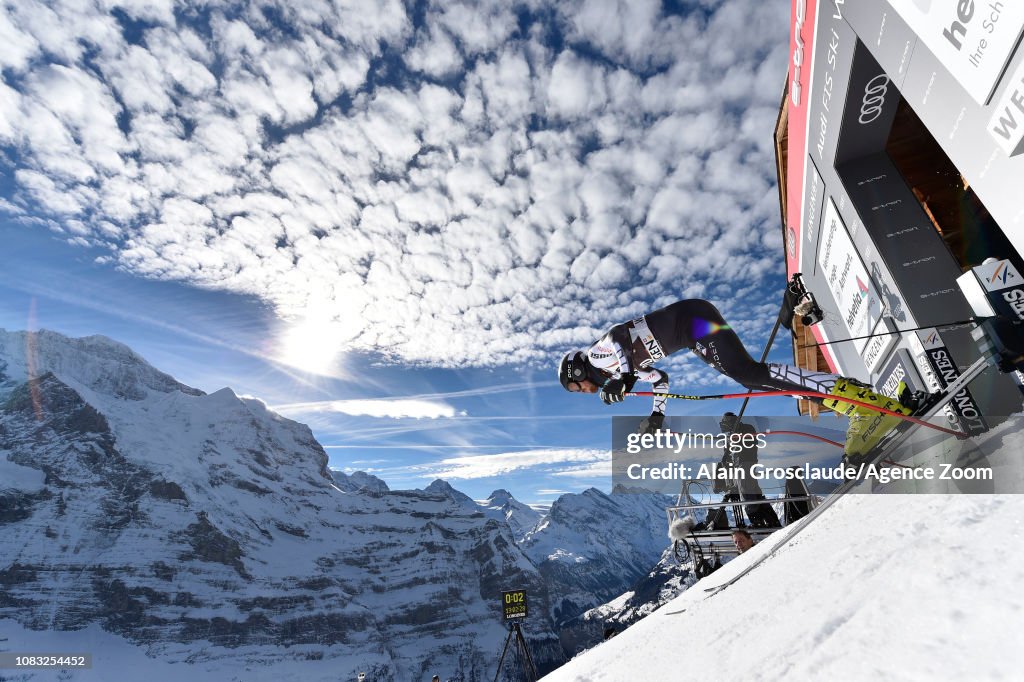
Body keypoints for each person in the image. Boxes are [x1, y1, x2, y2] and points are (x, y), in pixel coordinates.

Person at [558, 298, 918, 456]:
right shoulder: (617, 369)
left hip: (693, 321)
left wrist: (622, 379)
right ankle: (857, 401)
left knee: (749, 373)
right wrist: (657, 415)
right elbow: (661, 379)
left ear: (578, 373)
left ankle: (857, 403)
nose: (584, 391)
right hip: (692, 327)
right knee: (755, 380)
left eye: (578, 387)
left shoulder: (597, 355)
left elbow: (619, 335)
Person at [719, 412, 780, 529]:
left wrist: (737, 437)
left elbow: (751, 442)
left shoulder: (746, 428)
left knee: (746, 491)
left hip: (746, 462)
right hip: (740, 465)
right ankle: (771, 519)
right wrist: (726, 454)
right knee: (754, 492)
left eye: (726, 422)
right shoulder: (731, 435)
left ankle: (757, 522)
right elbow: (729, 450)